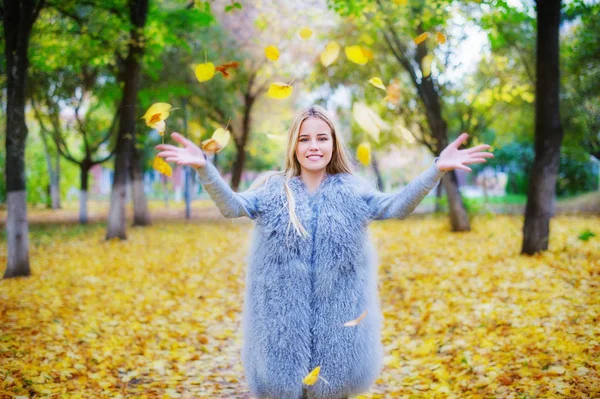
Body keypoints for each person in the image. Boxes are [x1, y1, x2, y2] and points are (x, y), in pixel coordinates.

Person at [155, 105, 493, 399]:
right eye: (304, 139)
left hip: (339, 345)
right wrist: (204, 168)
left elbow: (396, 206)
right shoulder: (275, 190)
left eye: (322, 138)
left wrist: (436, 169)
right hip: (280, 341)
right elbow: (233, 206)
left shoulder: (352, 191)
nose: (313, 146)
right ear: (294, 145)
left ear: (333, 144)